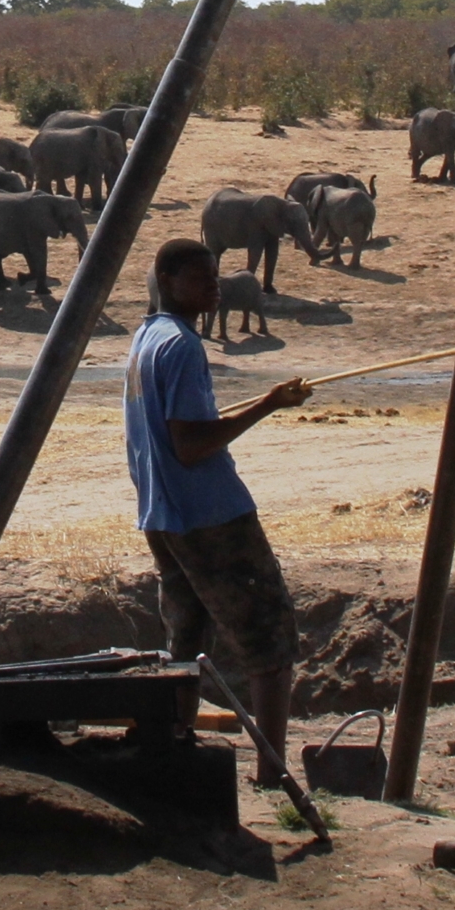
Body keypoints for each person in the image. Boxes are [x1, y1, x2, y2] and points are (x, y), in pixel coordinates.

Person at [128, 238, 312, 785]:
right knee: (269, 638)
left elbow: (167, 428)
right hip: (209, 515)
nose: (215, 286)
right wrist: (269, 404)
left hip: (161, 514)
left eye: (215, 277)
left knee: (186, 640)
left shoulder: (146, 337)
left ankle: (178, 755)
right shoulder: (183, 347)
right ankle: (272, 773)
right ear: (167, 280)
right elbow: (189, 444)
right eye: (201, 278)